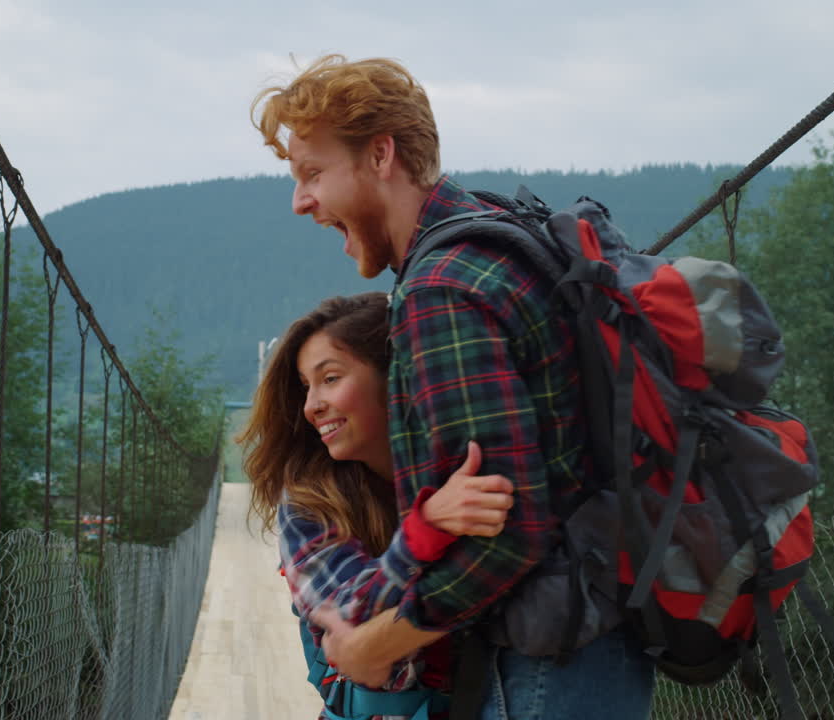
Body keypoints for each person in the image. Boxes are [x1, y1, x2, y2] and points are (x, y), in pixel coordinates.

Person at [251, 56, 656, 719]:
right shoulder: (500, 231)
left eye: (312, 174)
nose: (301, 202)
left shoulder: (441, 285)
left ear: (381, 155)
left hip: (551, 661)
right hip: (595, 636)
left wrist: (369, 647)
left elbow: (506, 533)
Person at [241, 292, 517, 720]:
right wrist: (424, 534)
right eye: (305, 387)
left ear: (397, 379)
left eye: (329, 378)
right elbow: (346, 619)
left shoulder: (470, 469)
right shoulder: (307, 505)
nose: (312, 405)